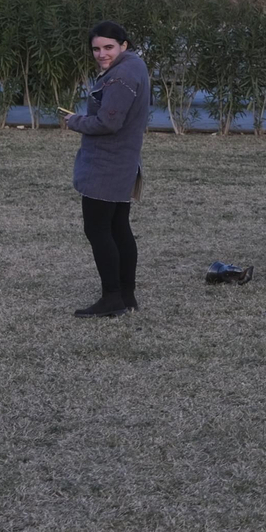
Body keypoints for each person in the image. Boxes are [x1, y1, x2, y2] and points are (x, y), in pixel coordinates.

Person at [66, 21, 151, 318]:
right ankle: (126, 296)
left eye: (108, 47)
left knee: (99, 229)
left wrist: (75, 121)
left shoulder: (121, 76)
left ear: (123, 45)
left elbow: (108, 122)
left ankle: (113, 297)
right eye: (96, 49)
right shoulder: (135, 66)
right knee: (118, 228)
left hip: (107, 164)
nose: (102, 54)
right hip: (123, 161)